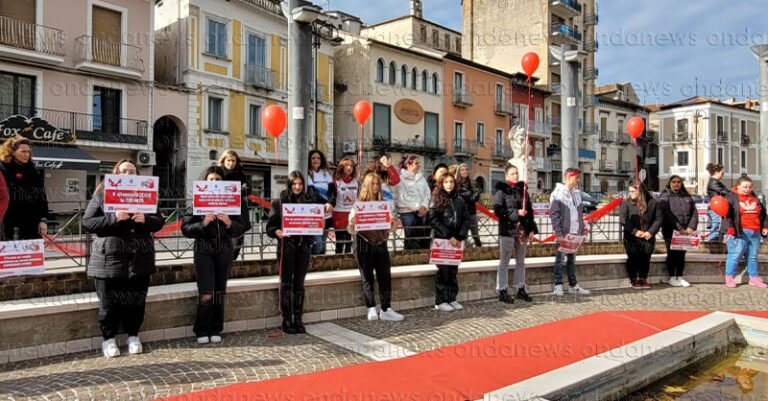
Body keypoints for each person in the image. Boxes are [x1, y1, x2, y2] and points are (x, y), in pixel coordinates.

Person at [82, 158, 164, 358]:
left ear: (138, 175)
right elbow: (88, 222)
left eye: (132, 171)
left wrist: (145, 219)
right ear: (116, 174)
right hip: (109, 258)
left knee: (137, 299)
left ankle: (133, 335)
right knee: (109, 302)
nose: (128, 175)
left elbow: (159, 221)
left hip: (139, 258)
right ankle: (108, 339)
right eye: (124, 171)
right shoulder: (103, 193)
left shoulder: (146, 194)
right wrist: (113, 218)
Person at [182, 166, 251, 344]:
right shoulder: (197, 199)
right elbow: (186, 228)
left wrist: (229, 223)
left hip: (225, 249)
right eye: (211, 180)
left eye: (218, 180)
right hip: (203, 250)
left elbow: (244, 225)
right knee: (206, 291)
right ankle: (201, 328)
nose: (214, 183)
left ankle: (216, 328)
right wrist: (204, 223)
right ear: (206, 182)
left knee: (220, 290)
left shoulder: (234, 199)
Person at [266, 171, 318, 334]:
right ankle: (286, 319)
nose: (297, 187)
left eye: (300, 184)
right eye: (294, 184)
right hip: (287, 247)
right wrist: (277, 232)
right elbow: (270, 227)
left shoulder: (309, 202)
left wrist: (320, 220)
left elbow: (316, 221)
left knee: (299, 284)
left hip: (303, 247)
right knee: (286, 283)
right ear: (289, 184)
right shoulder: (279, 203)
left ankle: (298, 318)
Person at [347, 173, 403, 321]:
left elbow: (391, 229)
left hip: (381, 244)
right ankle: (371, 308)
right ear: (367, 185)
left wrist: (392, 222)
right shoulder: (358, 204)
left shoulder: (384, 203)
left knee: (385, 276)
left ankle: (386, 308)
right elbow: (351, 229)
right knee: (367, 277)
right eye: (373, 184)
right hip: (364, 243)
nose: (376, 187)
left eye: (378, 184)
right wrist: (353, 223)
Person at [493, 164, 537, 303]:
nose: (515, 176)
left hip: (521, 230)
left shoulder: (523, 191)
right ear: (506, 176)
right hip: (507, 230)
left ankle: (520, 288)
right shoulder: (501, 191)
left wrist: (531, 229)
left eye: (517, 173)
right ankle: (502, 289)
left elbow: (530, 212)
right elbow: (498, 211)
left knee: (521, 261)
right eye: (512, 174)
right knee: (504, 261)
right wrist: (515, 213)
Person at [428, 173, 469, 311]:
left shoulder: (460, 200)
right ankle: (441, 300)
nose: (449, 184)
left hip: (456, 241)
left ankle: (452, 298)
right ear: (441, 183)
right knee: (443, 271)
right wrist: (448, 236)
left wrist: (459, 237)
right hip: (443, 240)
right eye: (446, 182)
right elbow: (433, 219)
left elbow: (465, 219)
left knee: (453, 271)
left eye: (451, 182)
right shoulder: (436, 199)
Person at [549, 168, 591, 296]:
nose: (578, 180)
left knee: (572, 259)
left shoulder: (577, 194)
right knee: (560, 259)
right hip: (564, 233)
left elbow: (579, 215)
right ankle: (558, 285)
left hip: (574, 233)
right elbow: (554, 215)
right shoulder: (558, 193)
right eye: (576, 177)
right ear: (568, 177)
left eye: (578, 177)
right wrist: (559, 233)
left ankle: (573, 285)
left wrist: (582, 232)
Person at [721, 176, 768, 288]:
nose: (747, 189)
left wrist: (765, 226)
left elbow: (763, 214)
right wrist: (729, 229)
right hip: (738, 232)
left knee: (752, 256)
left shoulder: (754, 197)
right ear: (738, 186)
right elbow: (726, 215)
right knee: (735, 255)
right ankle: (729, 277)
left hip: (754, 231)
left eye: (750, 187)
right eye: (744, 186)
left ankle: (754, 277)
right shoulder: (731, 197)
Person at [1, 136, 48, 239]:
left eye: (28, 152)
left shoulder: (32, 170)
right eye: (23, 152)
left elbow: (42, 197)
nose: (27, 155)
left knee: (31, 254)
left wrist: (43, 220)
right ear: (12, 151)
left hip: (31, 223)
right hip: (7, 221)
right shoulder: (3, 169)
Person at [619, 181, 662, 289]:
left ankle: (643, 278)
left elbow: (658, 219)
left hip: (647, 236)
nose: (630, 194)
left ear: (640, 191)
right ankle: (633, 278)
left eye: (633, 191)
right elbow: (623, 219)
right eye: (629, 191)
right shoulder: (626, 203)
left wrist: (651, 232)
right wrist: (635, 231)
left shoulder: (653, 202)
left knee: (645, 257)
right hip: (632, 237)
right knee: (633, 258)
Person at [658, 175, 698, 287]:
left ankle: (679, 276)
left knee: (682, 254)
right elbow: (666, 213)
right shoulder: (665, 196)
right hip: (671, 230)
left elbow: (694, 212)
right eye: (674, 182)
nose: (676, 184)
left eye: (678, 182)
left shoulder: (686, 196)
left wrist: (691, 227)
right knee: (672, 253)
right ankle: (672, 276)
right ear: (670, 183)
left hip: (685, 231)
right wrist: (679, 227)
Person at [218, 149, 250, 260]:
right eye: (228, 160)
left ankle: (233, 261)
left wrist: (238, 192)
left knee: (237, 238)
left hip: (238, 212)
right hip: (221, 211)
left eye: (233, 161)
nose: (231, 163)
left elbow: (248, 189)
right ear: (223, 160)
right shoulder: (217, 173)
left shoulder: (241, 174)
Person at [395, 155, 431, 250]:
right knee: (410, 235)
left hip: (422, 211)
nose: (418, 165)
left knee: (422, 234)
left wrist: (424, 205)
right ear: (408, 165)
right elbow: (404, 196)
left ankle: (423, 253)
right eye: (416, 163)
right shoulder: (401, 179)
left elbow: (427, 193)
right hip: (407, 212)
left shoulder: (421, 178)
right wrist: (418, 207)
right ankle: (409, 254)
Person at [307, 150, 336, 255]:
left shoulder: (325, 173)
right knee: (317, 245)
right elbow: (312, 193)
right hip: (315, 214)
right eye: (313, 158)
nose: (316, 160)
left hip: (327, 214)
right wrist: (325, 204)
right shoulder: (308, 173)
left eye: (318, 158)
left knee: (323, 247)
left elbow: (333, 190)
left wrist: (331, 203)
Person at [332, 157, 357, 254]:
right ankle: (338, 261)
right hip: (339, 214)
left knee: (348, 242)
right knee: (339, 242)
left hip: (351, 214)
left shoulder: (356, 181)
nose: (349, 168)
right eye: (347, 165)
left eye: (351, 166)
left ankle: (348, 260)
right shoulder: (336, 181)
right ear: (341, 167)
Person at [455, 163, 482, 248]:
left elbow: (477, 196)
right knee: (463, 235)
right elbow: (458, 197)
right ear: (459, 172)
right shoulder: (456, 184)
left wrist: (468, 197)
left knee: (475, 234)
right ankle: (464, 251)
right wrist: (469, 195)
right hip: (461, 213)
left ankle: (479, 249)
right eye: (462, 170)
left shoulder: (473, 183)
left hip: (472, 212)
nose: (465, 171)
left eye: (466, 169)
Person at [705, 163, 728, 242]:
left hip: (717, 207)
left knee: (717, 225)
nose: (723, 175)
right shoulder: (713, 182)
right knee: (717, 225)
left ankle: (712, 240)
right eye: (722, 173)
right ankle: (710, 241)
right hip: (716, 207)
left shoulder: (714, 182)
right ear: (716, 172)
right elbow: (724, 192)